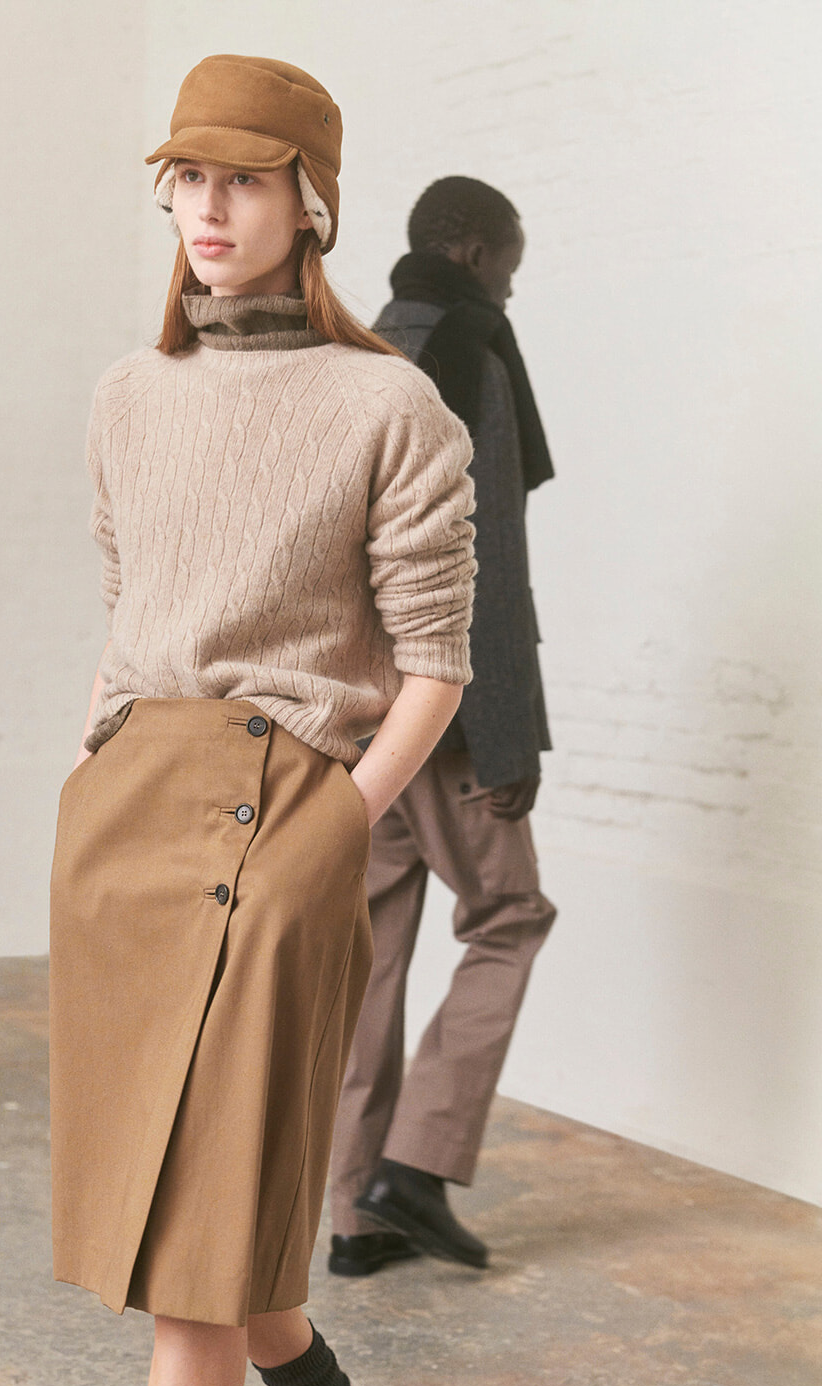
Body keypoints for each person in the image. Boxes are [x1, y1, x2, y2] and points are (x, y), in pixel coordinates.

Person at [1, 59, 475, 1386]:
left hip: (286, 813)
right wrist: (92, 765)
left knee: (200, 1249)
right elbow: (134, 593)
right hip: (129, 816)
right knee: (186, 1209)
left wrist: (333, 829)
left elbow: (433, 659)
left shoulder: (392, 410)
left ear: (311, 201)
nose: (207, 213)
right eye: (185, 182)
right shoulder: (131, 394)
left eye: (245, 182)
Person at [328, 175, 557, 1280]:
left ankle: (352, 1214)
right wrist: (511, 739)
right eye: (510, 254)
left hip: (361, 718)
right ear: (470, 249)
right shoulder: (475, 346)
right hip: (455, 710)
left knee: (368, 950)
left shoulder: (358, 350)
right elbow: (489, 565)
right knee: (509, 913)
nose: (516, 275)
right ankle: (413, 1171)